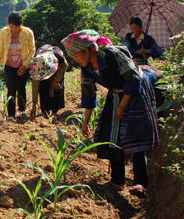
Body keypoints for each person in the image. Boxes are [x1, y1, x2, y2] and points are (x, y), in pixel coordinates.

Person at [61, 29, 159, 198]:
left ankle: (140, 183)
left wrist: (122, 106)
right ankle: (117, 180)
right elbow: (88, 95)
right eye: (74, 59)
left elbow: (133, 79)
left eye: (78, 56)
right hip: (116, 94)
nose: (77, 60)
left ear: (88, 50)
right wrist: (85, 123)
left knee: (136, 135)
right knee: (112, 135)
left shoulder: (112, 55)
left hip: (136, 92)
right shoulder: (86, 68)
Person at [0, 11, 36, 121]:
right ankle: (11, 114)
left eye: (16, 26)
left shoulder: (28, 33)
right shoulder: (4, 32)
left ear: (21, 24)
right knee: (11, 88)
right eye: (11, 26)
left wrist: (25, 65)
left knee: (21, 87)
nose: (14, 29)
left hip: (23, 64)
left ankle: (22, 110)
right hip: (9, 64)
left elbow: (32, 50)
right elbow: (0, 49)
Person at [30, 45, 68, 120]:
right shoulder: (37, 66)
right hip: (44, 65)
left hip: (58, 67)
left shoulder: (59, 57)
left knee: (56, 87)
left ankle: (54, 112)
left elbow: (64, 66)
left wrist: (57, 79)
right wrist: (34, 106)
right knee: (43, 87)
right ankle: (44, 111)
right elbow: (35, 87)